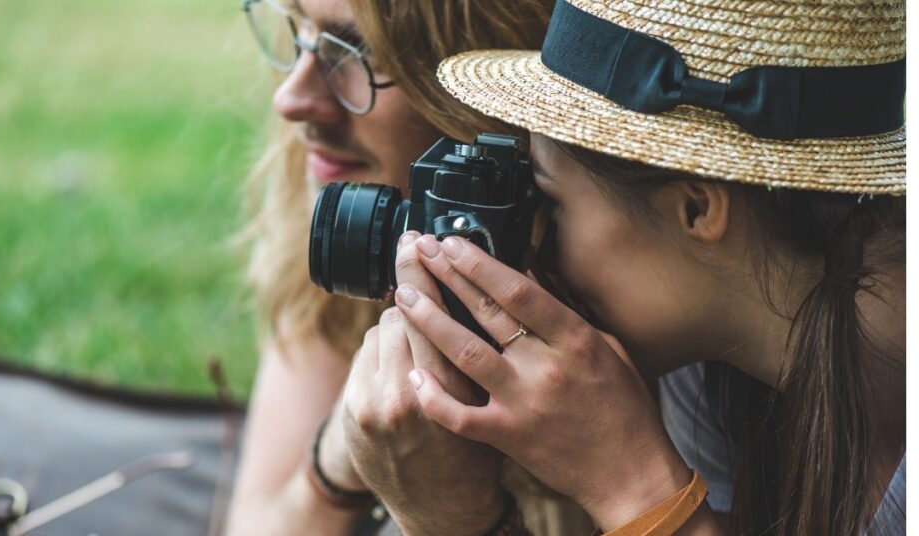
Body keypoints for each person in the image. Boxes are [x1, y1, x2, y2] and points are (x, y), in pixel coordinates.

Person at [337, 0, 905, 534]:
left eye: (550, 206)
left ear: (695, 207)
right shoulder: (710, 369)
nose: (535, 259)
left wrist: (634, 484)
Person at [227, 0, 594, 534]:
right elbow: (253, 524)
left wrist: (453, 518)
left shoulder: (627, 310)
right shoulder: (344, 221)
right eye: (300, 36)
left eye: (358, 51)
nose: (291, 99)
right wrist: (333, 466)